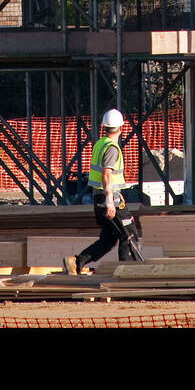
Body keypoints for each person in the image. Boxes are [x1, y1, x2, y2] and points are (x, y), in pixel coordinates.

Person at [63, 109, 138, 275]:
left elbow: (108, 178)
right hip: (109, 200)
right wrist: (110, 200)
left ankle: (76, 262)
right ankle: (129, 274)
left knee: (108, 239)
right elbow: (106, 173)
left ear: (103, 126)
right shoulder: (112, 147)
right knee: (129, 235)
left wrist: (115, 193)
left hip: (101, 197)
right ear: (121, 128)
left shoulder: (100, 144)